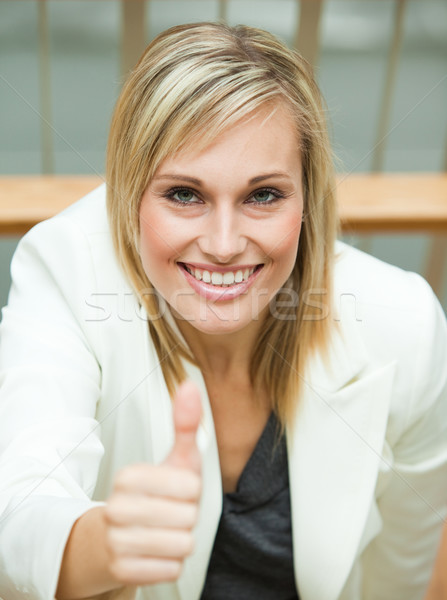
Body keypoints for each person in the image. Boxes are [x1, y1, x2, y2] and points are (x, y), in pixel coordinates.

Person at [0, 21, 446, 600]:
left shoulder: (404, 326)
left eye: (264, 195)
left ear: (308, 200)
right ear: (129, 191)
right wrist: (106, 541)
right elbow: (19, 507)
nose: (224, 243)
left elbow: (399, 578)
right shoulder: (65, 269)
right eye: (184, 194)